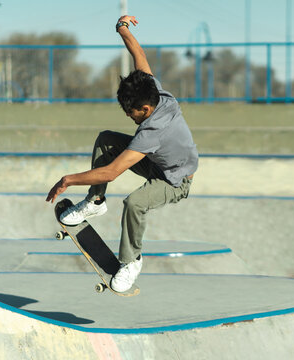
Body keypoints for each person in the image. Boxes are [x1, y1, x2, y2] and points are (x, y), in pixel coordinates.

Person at [46, 15, 198, 292]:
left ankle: (131, 261)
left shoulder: (152, 131)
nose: (129, 116)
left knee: (135, 203)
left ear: (146, 110)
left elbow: (112, 171)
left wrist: (68, 179)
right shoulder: (155, 92)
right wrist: (122, 28)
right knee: (107, 140)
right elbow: (138, 54)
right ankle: (95, 201)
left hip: (175, 181)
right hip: (158, 161)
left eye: (132, 112)